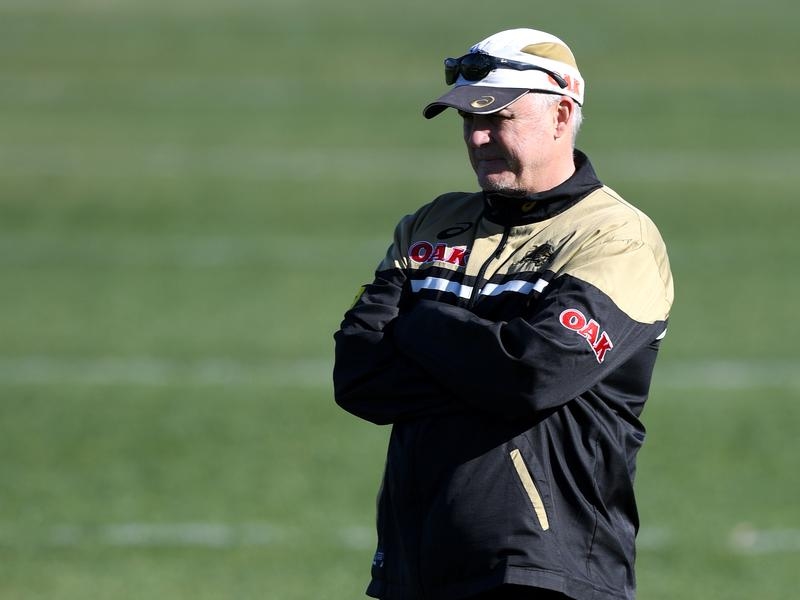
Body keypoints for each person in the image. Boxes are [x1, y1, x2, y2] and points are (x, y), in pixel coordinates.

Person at [333, 27, 674, 600]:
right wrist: (489, 355)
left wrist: (417, 320)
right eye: (469, 119)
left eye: (498, 117)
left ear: (561, 114)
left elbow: (532, 374)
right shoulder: (431, 223)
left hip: (544, 568)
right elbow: (359, 375)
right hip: (414, 565)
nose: (478, 136)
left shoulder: (616, 237)